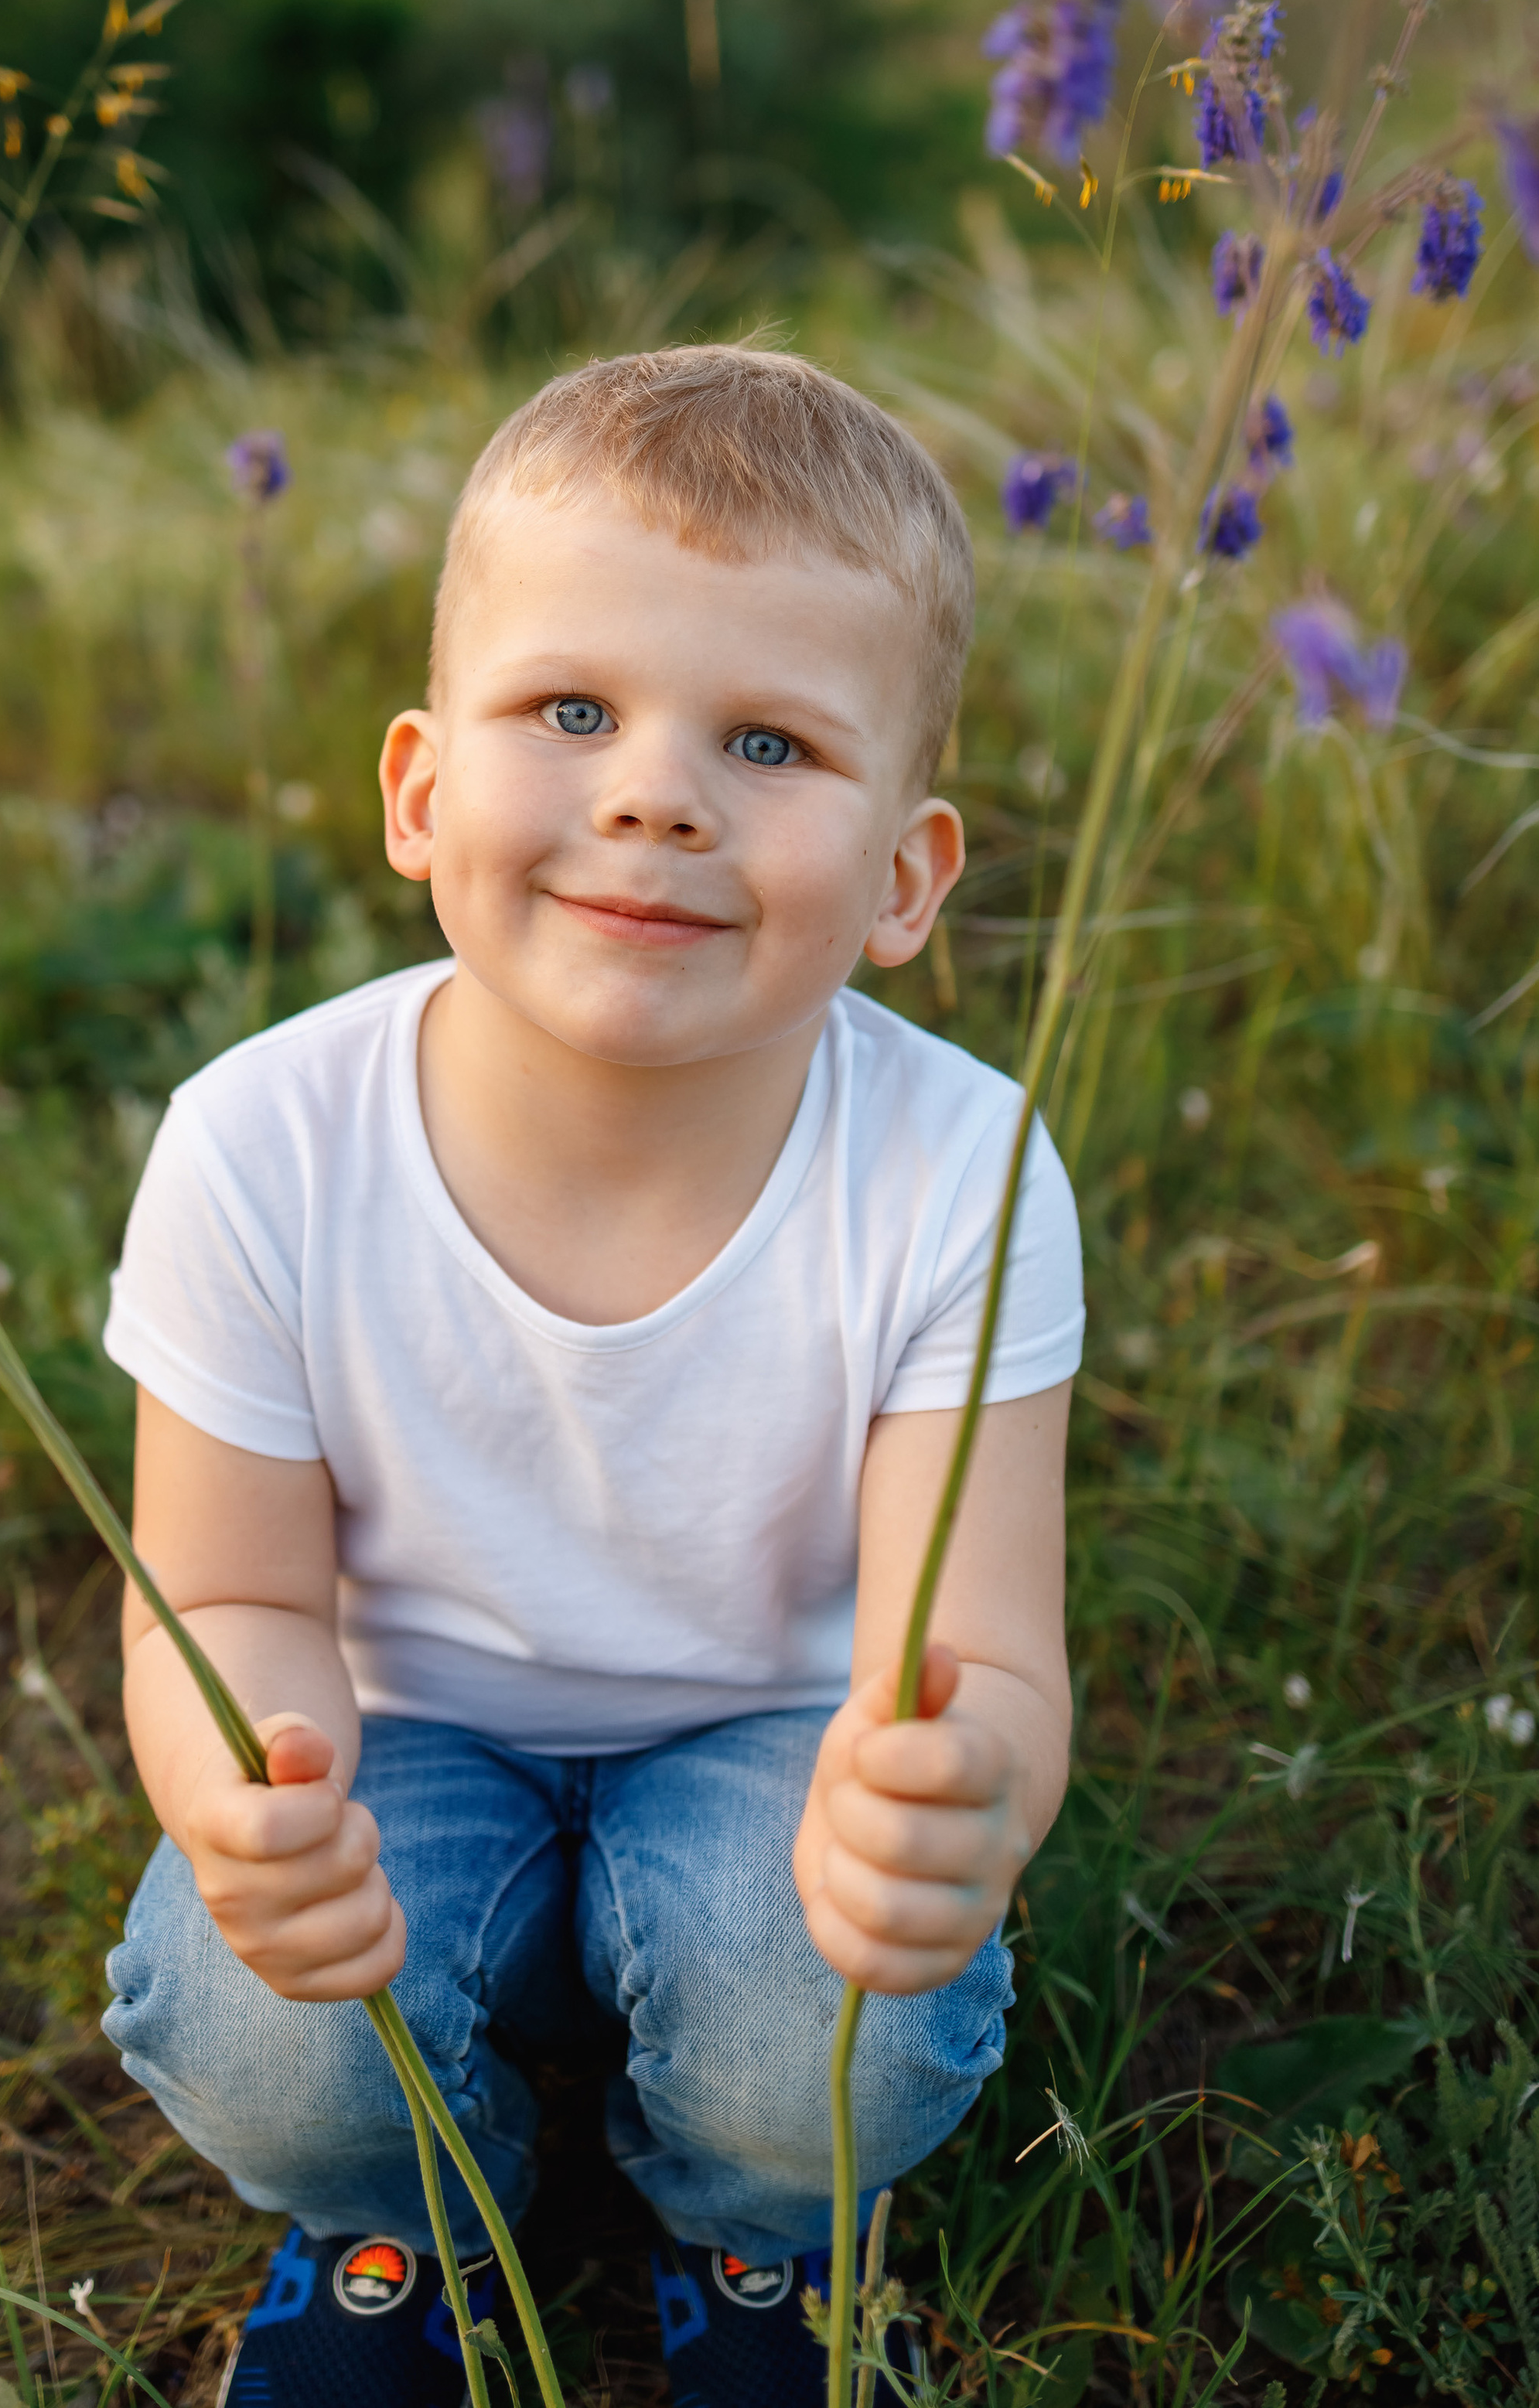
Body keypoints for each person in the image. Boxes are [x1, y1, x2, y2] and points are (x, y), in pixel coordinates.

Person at [100, 346, 1082, 2406]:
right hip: (406, 1736)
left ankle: (752, 2244)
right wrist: (248, 1789)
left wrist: (960, 1792)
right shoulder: (261, 1140)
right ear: (420, 789)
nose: (654, 790)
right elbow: (232, 1599)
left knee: (833, 2028)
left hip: (769, 1742)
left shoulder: (956, 1164)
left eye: (769, 740)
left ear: (907, 879)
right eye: (572, 712)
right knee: (253, 2018)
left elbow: (981, 1649)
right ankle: (403, 2223)